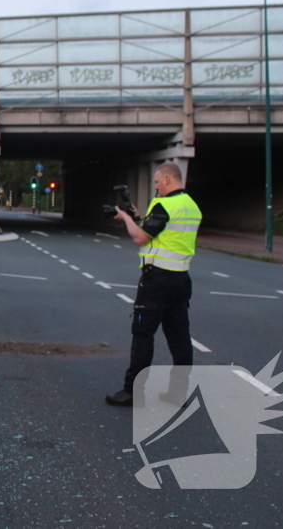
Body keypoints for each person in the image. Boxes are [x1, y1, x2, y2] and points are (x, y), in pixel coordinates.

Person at [106, 163, 202, 407]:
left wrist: (127, 218)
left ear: (169, 179)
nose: (156, 187)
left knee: (143, 334)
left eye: (158, 182)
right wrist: (140, 217)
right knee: (179, 337)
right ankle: (178, 393)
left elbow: (141, 238)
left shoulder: (164, 205)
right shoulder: (191, 206)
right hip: (181, 279)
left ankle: (132, 391)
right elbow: (163, 232)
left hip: (156, 280)